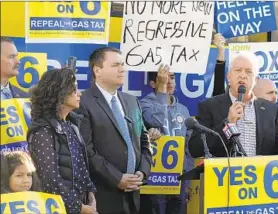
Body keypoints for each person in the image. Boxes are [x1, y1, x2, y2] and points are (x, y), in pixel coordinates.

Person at [76, 47, 151, 214]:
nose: (122, 69)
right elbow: (86, 150)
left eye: (122, 64)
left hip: (133, 194)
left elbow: (144, 141)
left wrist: (142, 172)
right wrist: (116, 178)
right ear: (97, 70)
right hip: (103, 195)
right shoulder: (83, 102)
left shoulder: (132, 101)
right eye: (116, 65)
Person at [188, 51, 278, 158]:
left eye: (249, 71)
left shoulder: (272, 110)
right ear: (229, 76)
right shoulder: (209, 107)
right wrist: (228, 123)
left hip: (260, 175)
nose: (243, 75)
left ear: (255, 80)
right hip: (225, 175)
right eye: (238, 70)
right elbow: (195, 149)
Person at [27, 68, 97, 214]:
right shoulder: (43, 131)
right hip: (58, 209)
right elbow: (49, 179)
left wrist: (91, 195)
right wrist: (79, 208)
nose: (80, 93)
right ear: (59, 93)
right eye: (74, 89)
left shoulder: (72, 127)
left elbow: (82, 169)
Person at [139, 65, 193, 214]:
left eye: (172, 77)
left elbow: (188, 146)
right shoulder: (143, 104)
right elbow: (156, 121)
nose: (168, 81)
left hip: (180, 178)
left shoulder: (183, 110)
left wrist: (187, 177)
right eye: (163, 77)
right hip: (155, 177)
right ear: (153, 83)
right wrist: (162, 89)